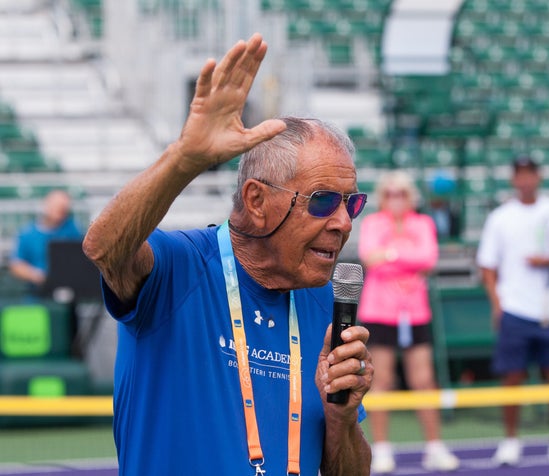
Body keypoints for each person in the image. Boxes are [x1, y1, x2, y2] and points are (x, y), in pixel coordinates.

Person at [82, 34, 373, 476]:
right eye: (322, 201)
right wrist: (185, 159)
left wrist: (342, 418)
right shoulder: (180, 269)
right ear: (256, 201)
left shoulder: (323, 304)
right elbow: (103, 247)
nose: (343, 222)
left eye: (352, 203)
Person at [476, 156, 549, 466]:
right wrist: (498, 305)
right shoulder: (500, 217)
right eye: (520, 174)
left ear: (538, 176)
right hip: (515, 310)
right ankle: (511, 440)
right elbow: (487, 266)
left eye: (530, 174)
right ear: (514, 179)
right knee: (512, 378)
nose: (525, 180)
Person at [357, 170, 460, 473]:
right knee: (382, 380)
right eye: (389, 194)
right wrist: (400, 253)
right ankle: (383, 448)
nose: (395, 200)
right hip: (380, 311)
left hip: (415, 312)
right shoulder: (374, 223)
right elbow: (369, 257)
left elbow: (427, 259)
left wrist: (390, 255)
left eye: (401, 193)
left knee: (424, 380)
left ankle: (434, 446)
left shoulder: (422, 223)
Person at [10, 189, 83, 294]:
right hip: (38, 294)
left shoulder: (73, 229)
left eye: (64, 210)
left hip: (68, 292)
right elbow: (16, 264)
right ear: (46, 206)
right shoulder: (27, 233)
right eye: (57, 208)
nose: (61, 213)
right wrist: (37, 275)